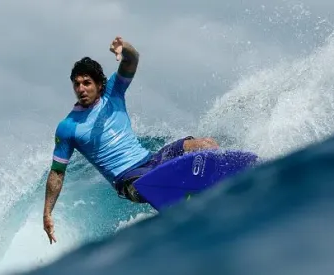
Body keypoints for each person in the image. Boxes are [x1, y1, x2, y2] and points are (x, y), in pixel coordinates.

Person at [43, 36, 219, 244]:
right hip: (128, 179)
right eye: (77, 84)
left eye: (87, 83)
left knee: (206, 144)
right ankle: (186, 209)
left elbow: (132, 60)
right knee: (150, 183)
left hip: (151, 160)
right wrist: (47, 212)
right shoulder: (68, 127)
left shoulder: (113, 93)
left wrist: (124, 49)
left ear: (100, 85)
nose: (81, 89)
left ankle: (225, 181)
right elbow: (57, 172)